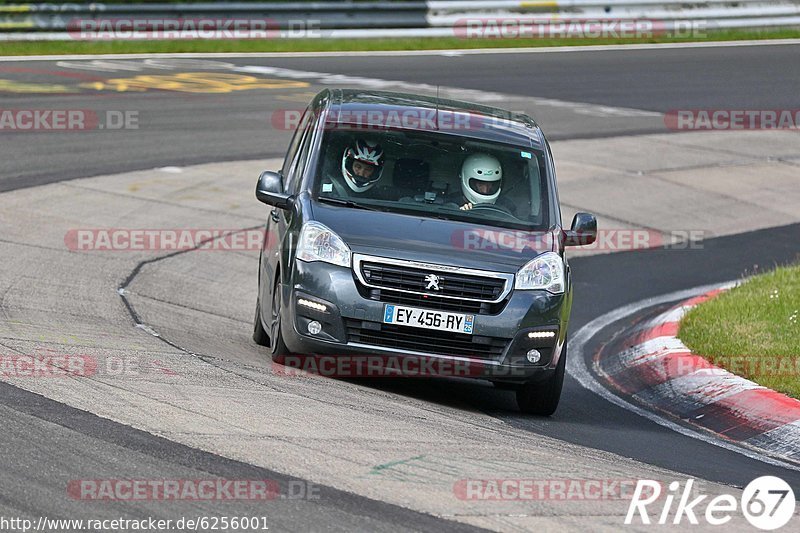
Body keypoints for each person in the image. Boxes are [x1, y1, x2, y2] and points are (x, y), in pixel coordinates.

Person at [321, 138, 387, 198]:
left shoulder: (378, 197)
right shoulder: (327, 185)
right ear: (349, 164)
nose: (361, 173)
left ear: (375, 172)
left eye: (368, 169)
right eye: (358, 167)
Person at [450, 153, 515, 212]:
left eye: (490, 184)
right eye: (480, 184)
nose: (485, 190)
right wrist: (460, 214)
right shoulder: (451, 206)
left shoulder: (506, 206)